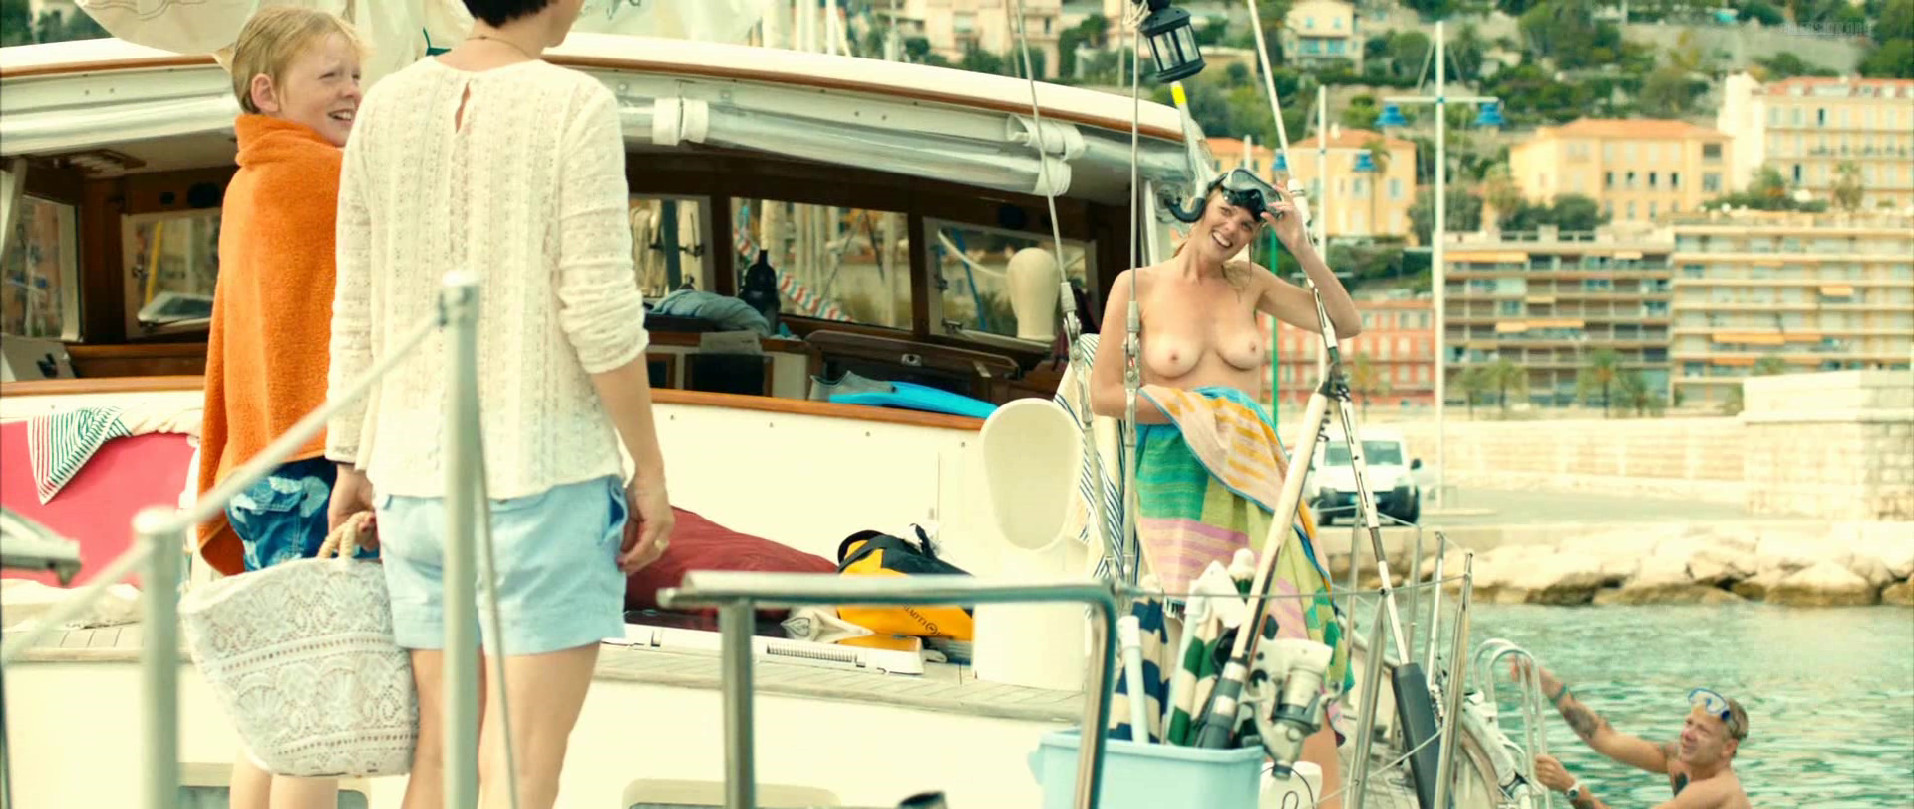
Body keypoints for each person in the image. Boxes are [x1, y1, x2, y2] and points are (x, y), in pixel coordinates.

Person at [322, 1, 674, 807]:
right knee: (520, 763)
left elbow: (357, 307)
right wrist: (648, 467)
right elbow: (597, 310)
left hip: (413, 484)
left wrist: (350, 457)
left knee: (441, 756)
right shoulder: (574, 104)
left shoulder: (385, 105)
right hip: (541, 479)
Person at [1088, 170, 1362, 806]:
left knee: (1290, 622)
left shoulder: (1251, 284)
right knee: (1200, 628)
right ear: (1199, 207)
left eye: (1246, 225)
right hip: (1175, 481)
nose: (1232, 229)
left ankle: (1322, 793)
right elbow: (1105, 395)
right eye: (1225, 212)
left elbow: (1345, 323)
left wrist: (1299, 244)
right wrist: (1197, 409)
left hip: (1256, 480)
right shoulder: (1137, 285)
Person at [193, 8, 367, 808]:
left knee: (274, 706)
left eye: (355, 74)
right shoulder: (327, 179)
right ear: (267, 92)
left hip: (262, 470)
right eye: (329, 76)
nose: (352, 90)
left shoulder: (248, 183)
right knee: (320, 705)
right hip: (316, 469)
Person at [1521, 661, 1752, 809]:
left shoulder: (1718, 790)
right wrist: (1548, 685)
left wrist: (1569, 787)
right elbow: (1604, 737)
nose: (1688, 734)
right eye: (1689, 723)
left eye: (1703, 731)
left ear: (1728, 747)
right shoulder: (1678, 759)